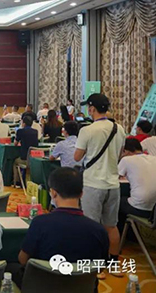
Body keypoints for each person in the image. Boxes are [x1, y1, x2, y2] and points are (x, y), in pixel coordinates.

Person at [15, 167, 108, 288]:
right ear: (81, 193)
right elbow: (100, 268)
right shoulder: (98, 230)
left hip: (42, 287)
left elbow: (23, 259)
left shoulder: (40, 223)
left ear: (53, 193)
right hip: (81, 288)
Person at [74, 93, 126, 277]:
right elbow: (120, 154)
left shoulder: (87, 130)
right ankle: (114, 265)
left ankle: (96, 267)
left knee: (91, 226)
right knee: (111, 226)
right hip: (113, 184)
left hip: (93, 183)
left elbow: (77, 157)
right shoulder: (119, 128)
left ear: (92, 109)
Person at [117, 138, 156, 232]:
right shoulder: (154, 158)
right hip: (154, 210)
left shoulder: (126, 160)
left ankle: (122, 233)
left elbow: (114, 177)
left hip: (141, 208)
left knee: (116, 200)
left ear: (124, 151)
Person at [13, 116, 39, 187]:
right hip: (33, 159)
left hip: (24, 159)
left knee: (15, 162)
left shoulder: (20, 131)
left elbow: (15, 143)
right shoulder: (35, 131)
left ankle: (17, 182)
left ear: (23, 123)